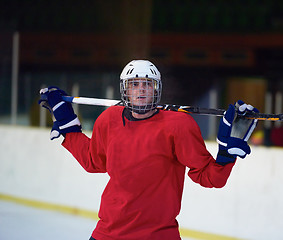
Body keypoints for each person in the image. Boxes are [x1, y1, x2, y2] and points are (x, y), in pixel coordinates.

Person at [39, 60, 259, 240]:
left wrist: (225, 157)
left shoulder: (178, 125)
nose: (141, 89)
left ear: (157, 88)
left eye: (148, 84)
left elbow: (211, 177)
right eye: (134, 84)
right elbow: (93, 161)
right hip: (108, 234)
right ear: (125, 89)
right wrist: (69, 128)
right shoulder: (108, 119)